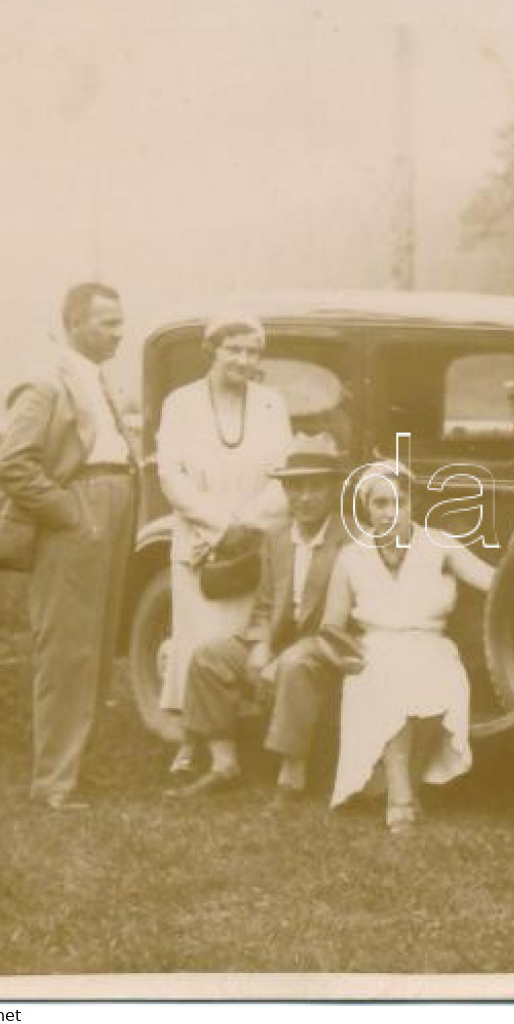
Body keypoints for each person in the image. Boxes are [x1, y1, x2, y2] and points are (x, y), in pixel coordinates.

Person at [0, 282, 137, 811]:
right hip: (79, 511)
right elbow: (11, 464)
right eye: (107, 324)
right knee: (66, 650)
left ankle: (75, 771)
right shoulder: (44, 382)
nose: (120, 333)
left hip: (114, 508)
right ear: (74, 324)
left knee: (96, 650)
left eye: (121, 322)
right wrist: (70, 515)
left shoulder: (98, 379)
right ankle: (53, 783)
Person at [167, 432, 352, 802]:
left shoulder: (350, 540)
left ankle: (291, 774)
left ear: (333, 491)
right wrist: (260, 644)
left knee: (296, 663)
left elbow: (346, 621)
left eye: (315, 487)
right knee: (210, 656)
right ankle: (224, 764)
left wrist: (279, 656)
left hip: (330, 644)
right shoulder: (278, 539)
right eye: (295, 488)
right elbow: (265, 605)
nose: (304, 497)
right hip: (282, 641)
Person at [156, 315, 294, 777]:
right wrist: (218, 526)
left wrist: (246, 524)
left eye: (253, 352)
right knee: (197, 642)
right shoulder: (181, 404)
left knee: (239, 640)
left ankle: (236, 741)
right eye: (234, 349)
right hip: (201, 541)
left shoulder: (272, 404)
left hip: (254, 540)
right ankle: (192, 742)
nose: (244, 360)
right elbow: (170, 474)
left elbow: (285, 475)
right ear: (211, 350)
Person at [321, 464, 494, 833]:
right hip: (374, 650)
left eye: (399, 501)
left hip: (431, 645)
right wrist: (344, 657)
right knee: (389, 677)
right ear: (366, 507)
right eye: (381, 503)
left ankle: (404, 793)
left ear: (411, 503)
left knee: (432, 674)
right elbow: (331, 627)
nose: (391, 512)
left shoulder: (440, 544)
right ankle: (401, 799)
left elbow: (493, 581)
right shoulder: (351, 556)